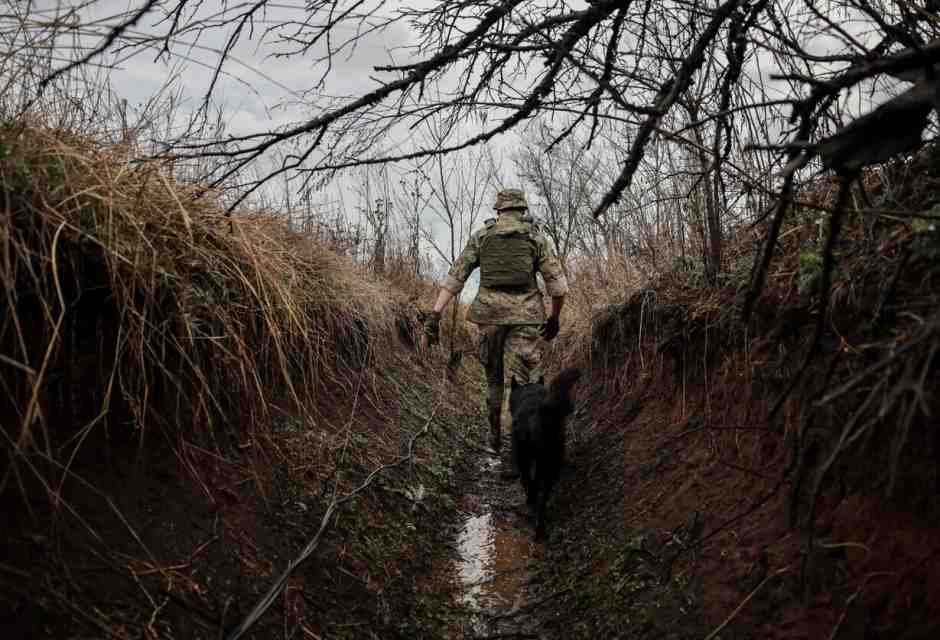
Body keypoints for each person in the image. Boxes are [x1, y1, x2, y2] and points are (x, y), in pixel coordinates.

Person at [421, 188, 568, 475]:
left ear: (498, 210)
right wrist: (554, 318)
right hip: (526, 318)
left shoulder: (482, 236)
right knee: (520, 386)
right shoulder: (535, 237)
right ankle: (515, 454)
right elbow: (558, 287)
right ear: (523, 210)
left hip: (488, 319)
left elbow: (455, 278)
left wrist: (435, 314)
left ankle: (495, 441)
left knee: (494, 382)